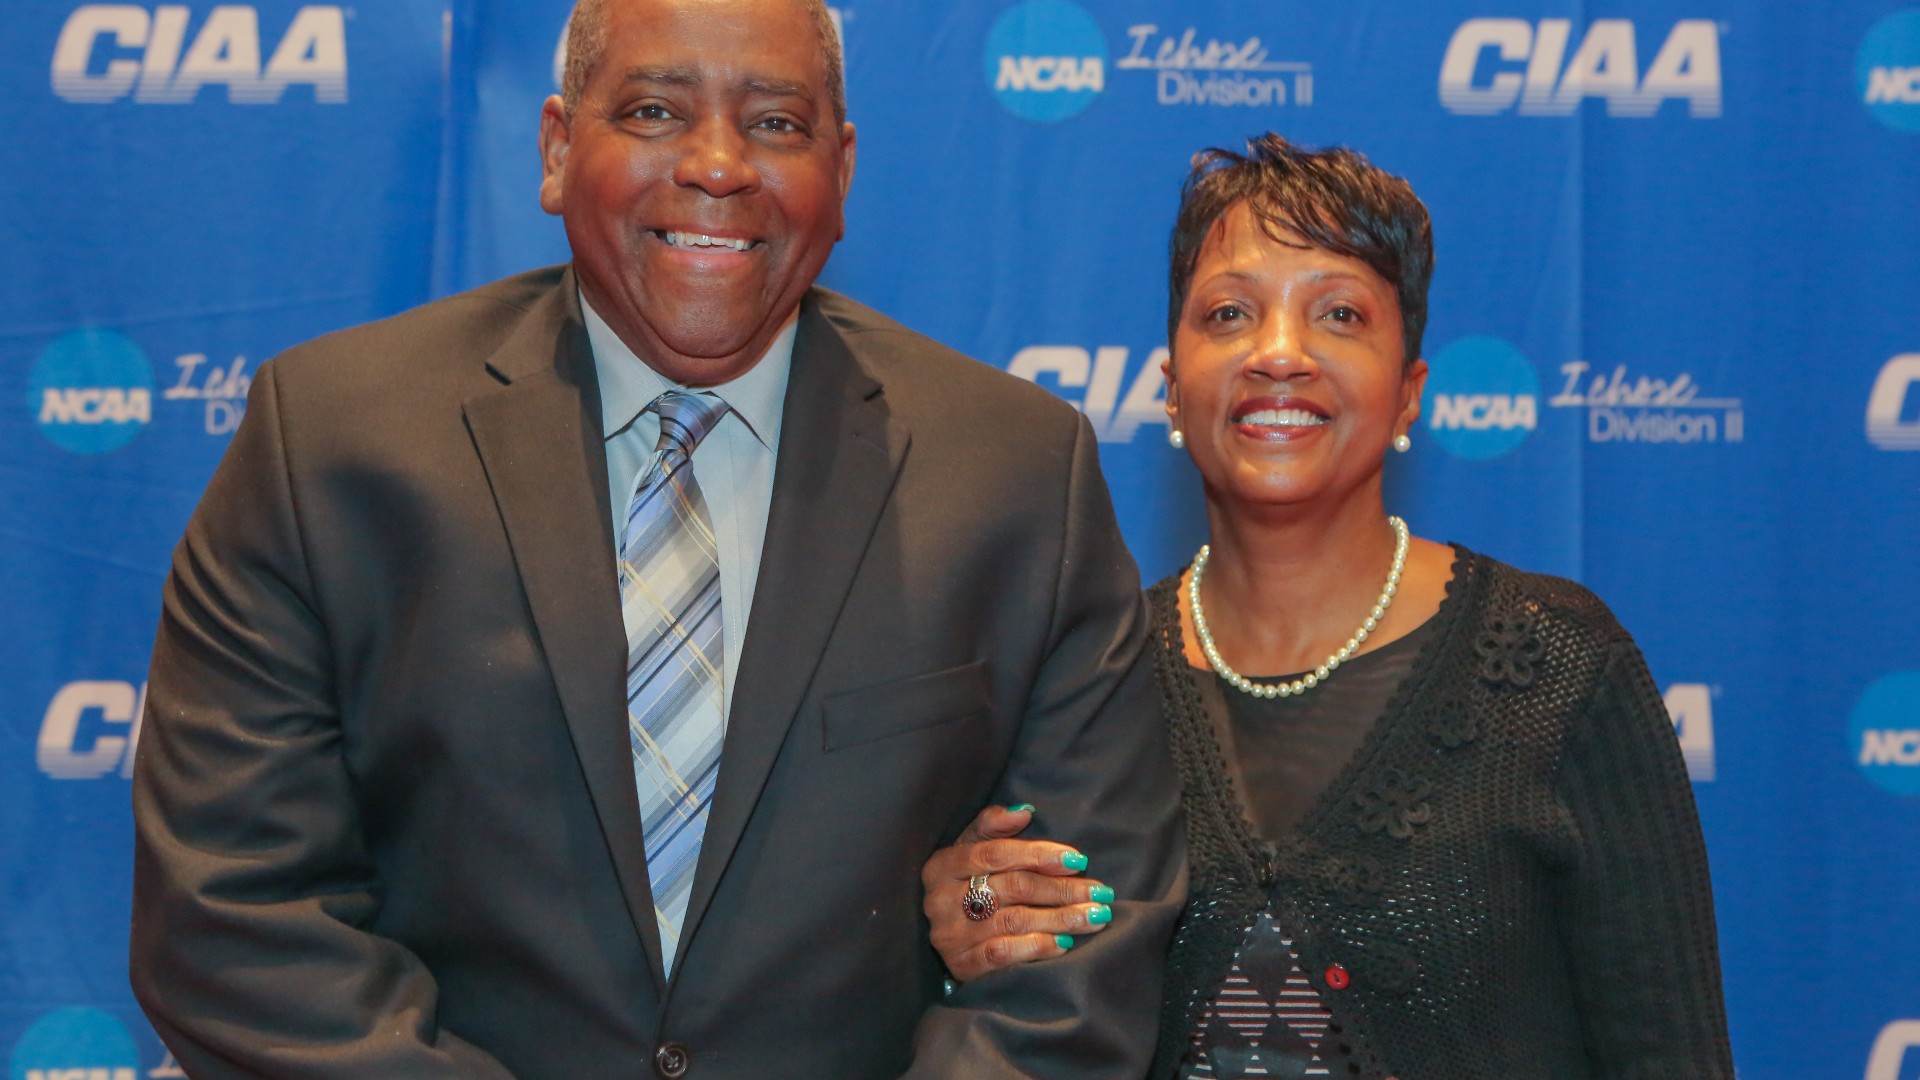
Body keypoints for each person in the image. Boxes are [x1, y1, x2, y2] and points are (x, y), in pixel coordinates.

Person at [127, 0, 1185, 1075]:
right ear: (555, 148)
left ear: (844, 168)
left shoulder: (1016, 476)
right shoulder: (330, 445)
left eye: (777, 123)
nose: (718, 165)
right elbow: (237, 912)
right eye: (652, 110)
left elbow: (1074, 964)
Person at [922, 134, 1734, 1079]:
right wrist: (958, 921)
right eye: (1229, 314)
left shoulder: (1559, 667)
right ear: (1171, 390)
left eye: (1340, 314)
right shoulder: (1086, 675)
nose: (1279, 355)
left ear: (1408, 394)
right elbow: (1014, 987)